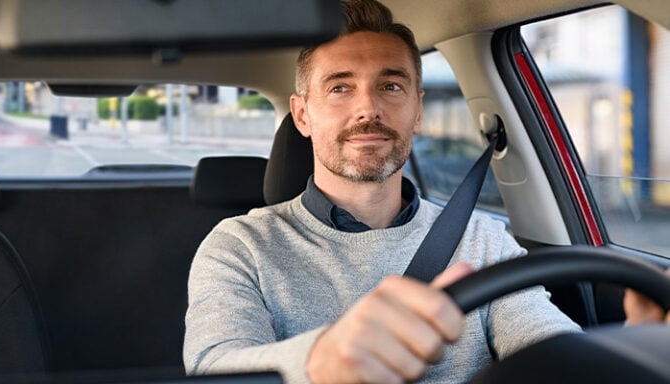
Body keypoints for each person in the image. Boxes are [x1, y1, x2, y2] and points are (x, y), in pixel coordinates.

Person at [184, 0, 669, 382]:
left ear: (417, 111)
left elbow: (546, 346)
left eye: (391, 86)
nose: (368, 108)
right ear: (303, 114)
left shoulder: (483, 238)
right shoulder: (239, 245)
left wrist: (635, 345)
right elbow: (214, 366)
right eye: (340, 88)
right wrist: (320, 362)